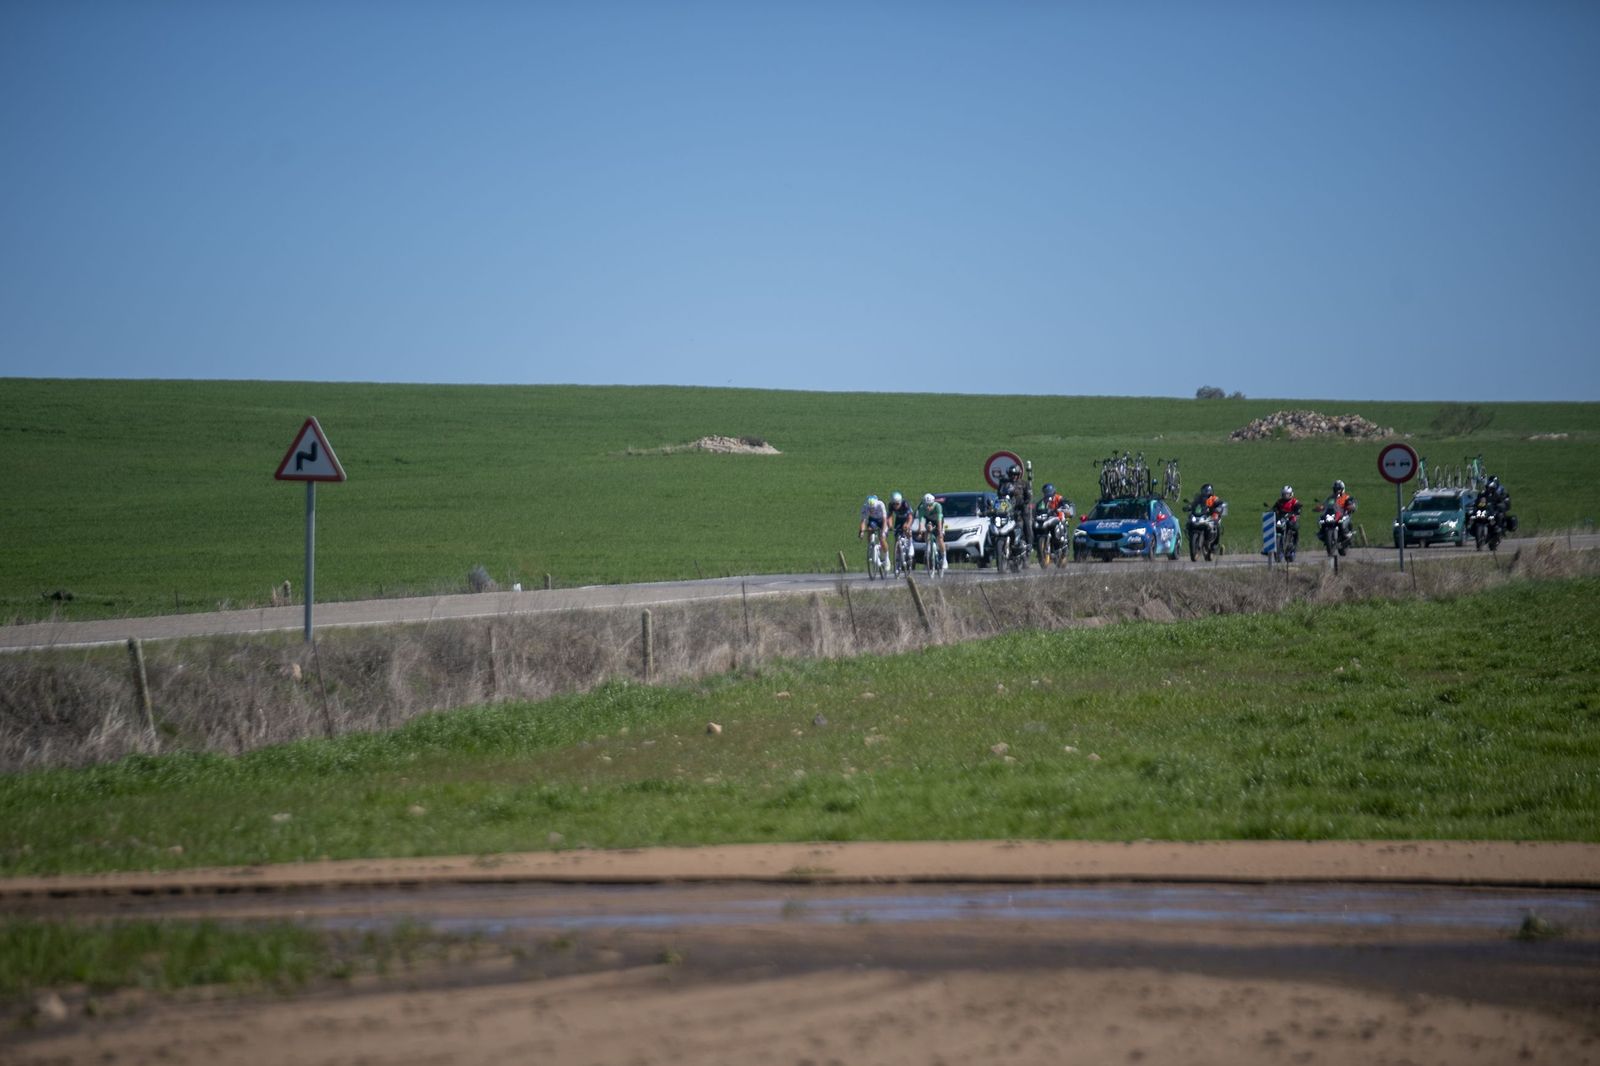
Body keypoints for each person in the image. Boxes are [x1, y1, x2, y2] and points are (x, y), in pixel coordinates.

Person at [916, 492, 946, 570]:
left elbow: (939, 520)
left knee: (940, 538)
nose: (928, 507)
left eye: (930, 505)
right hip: (929, 521)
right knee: (927, 535)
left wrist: (939, 531)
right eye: (926, 505)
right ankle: (928, 558)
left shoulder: (938, 506)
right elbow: (921, 522)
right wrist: (920, 532)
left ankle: (944, 558)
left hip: (938, 521)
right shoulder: (922, 508)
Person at [886, 491, 914, 573]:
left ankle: (910, 543)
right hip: (899, 519)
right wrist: (890, 526)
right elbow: (890, 516)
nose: (895, 506)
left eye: (897, 504)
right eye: (894, 504)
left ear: (900, 502)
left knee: (907, 530)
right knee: (897, 536)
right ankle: (897, 561)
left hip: (907, 518)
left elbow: (910, 517)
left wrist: (908, 525)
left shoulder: (905, 504)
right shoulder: (891, 505)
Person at [1271, 485, 1302, 558]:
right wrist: (1272, 511)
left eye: (1287, 494)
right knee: (1274, 528)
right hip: (1281, 519)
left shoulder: (1294, 501)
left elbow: (1298, 507)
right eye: (1284, 494)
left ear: (1291, 494)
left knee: (1293, 526)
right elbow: (1274, 508)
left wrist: (1296, 511)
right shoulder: (1279, 501)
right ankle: (1273, 548)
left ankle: (1294, 543)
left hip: (1291, 518)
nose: (1285, 496)